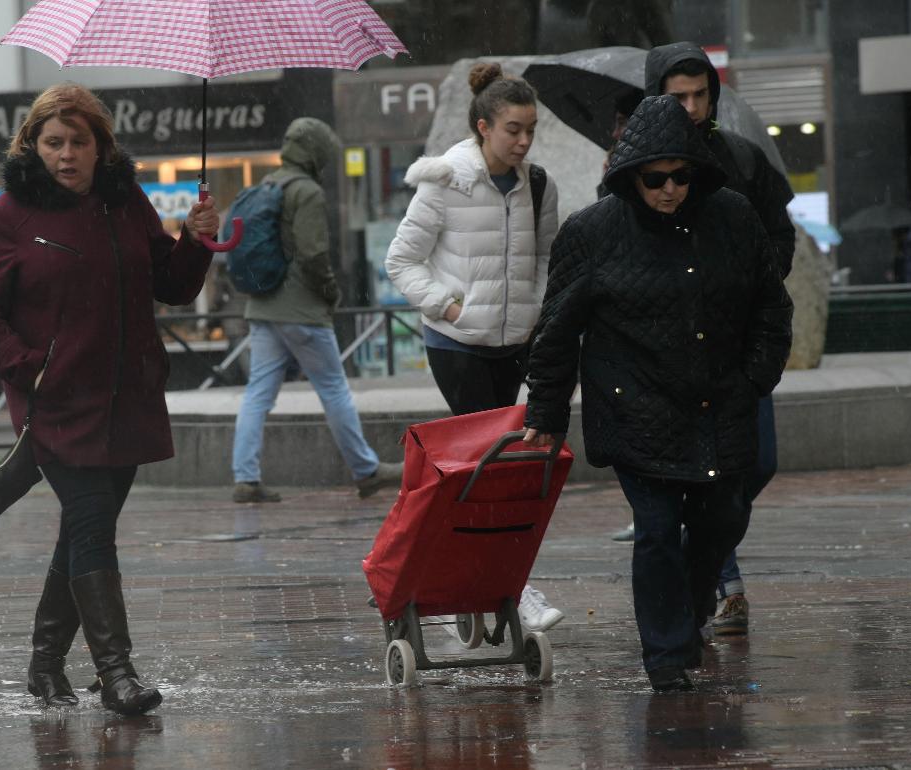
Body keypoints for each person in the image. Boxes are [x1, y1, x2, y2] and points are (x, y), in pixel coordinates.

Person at [0, 83, 220, 716]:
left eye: (80, 142)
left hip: (127, 396)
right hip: (57, 403)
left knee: (83, 530)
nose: (67, 155)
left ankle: (46, 665)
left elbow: (172, 285)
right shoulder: (7, 216)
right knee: (92, 527)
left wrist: (196, 239)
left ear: (102, 148)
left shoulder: (125, 200)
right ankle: (116, 672)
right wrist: (30, 371)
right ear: (32, 144)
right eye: (54, 142)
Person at [522, 95, 792, 691]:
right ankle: (668, 659)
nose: (670, 189)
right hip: (633, 405)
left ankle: (688, 613)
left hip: (721, 400)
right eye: (655, 179)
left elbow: (771, 308)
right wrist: (545, 410)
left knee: (723, 517)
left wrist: (754, 379)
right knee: (657, 528)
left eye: (680, 175)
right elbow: (558, 331)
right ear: (630, 176)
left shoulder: (734, 217)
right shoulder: (591, 234)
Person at [608, 42, 799, 636]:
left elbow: (779, 236)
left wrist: (749, 290)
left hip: (737, 351)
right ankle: (718, 581)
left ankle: (708, 557)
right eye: (677, 95)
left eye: (700, 94)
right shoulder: (631, 171)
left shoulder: (740, 158)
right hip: (667, 361)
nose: (691, 107)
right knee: (695, 482)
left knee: (751, 468)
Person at [385, 63, 564, 633]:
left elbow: (544, 259)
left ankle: (476, 583)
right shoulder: (445, 182)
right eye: (513, 128)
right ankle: (507, 587)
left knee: (498, 466)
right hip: (458, 343)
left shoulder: (537, 184)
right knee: (491, 467)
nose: (524, 140)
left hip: (512, 344)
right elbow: (401, 262)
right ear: (483, 126)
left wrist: (534, 312)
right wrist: (447, 306)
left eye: (531, 129)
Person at [230, 117, 402, 504]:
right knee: (334, 389)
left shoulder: (267, 184)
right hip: (301, 310)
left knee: (257, 393)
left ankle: (245, 477)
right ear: (316, 152)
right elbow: (313, 253)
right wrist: (329, 291)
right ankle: (366, 470)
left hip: (262, 307)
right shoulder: (306, 191)